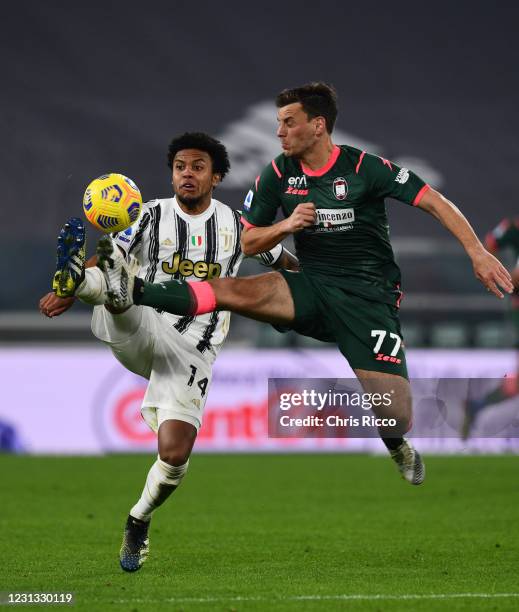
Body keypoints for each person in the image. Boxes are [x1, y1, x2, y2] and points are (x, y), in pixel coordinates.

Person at [97, 82, 514, 486]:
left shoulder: (364, 168)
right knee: (227, 289)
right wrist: (288, 224)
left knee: (395, 414)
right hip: (310, 286)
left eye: (289, 122)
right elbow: (248, 239)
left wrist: (477, 252)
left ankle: (396, 445)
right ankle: (131, 290)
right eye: (278, 122)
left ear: (318, 125)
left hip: (368, 301)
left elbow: (434, 201)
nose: (279, 132)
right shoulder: (278, 173)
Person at [39, 132, 298, 572]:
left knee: (175, 456)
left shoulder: (237, 226)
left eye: (197, 167)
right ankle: (85, 285)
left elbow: (284, 262)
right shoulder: (148, 215)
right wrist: (67, 289)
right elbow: (108, 256)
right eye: (180, 167)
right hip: (142, 323)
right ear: (172, 173)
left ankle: (138, 519)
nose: (187, 174)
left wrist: (317, 280)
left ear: (215, 177)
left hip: (193, 349)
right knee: (118, 279)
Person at [461, 216, 519, 439]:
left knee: (514, 386)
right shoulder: (512, 229)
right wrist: (507, 276)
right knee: (514, 386)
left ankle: (475, 407)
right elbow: (491, 244)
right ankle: (475, 407)